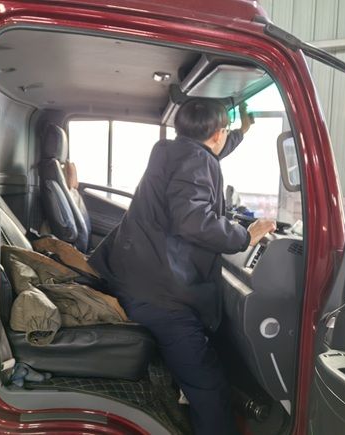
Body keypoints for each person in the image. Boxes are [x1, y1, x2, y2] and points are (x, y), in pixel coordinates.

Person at [89, 98, 276, 435]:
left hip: (135, 278)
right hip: (161, 296)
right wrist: (244, 237)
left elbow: (208, 153)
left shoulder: (169, 150)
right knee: (209, 387)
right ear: (217, 133)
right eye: (225, 132)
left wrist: (240, 133)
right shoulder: (196, 160)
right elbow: (193, 220)